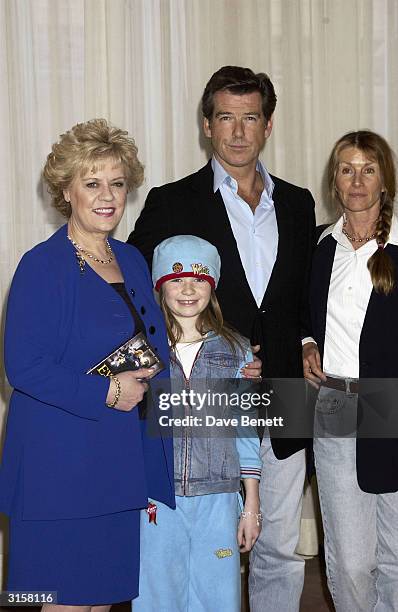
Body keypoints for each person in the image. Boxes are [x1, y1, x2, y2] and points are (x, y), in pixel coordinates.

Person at [128, 65, 316, 611]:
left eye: (250, 118)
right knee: (199, 543)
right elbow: (138, 291)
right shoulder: (171, 201)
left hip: (280, 390)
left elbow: (302, 295)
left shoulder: (300, 204)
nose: (238, 131)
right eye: (226, 118)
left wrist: (303, 340)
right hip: (200, 397)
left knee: (276, 541)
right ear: (207, 126)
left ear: (268, 125)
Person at [0, 119, 174, 610]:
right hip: (60, 466)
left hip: (118, 461)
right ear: (66, 190)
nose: (107, 195)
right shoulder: (42, 265)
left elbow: (151, 343)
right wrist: (107, 392)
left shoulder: (131, 258)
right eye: (92, 183)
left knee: (103, 599)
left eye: (117, 183)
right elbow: (24, 366)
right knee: (66, 601)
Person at [133, 234, 262, 612]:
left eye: (199, 279)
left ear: (212, 286)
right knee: (157, 596)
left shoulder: (235, 349)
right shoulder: (142, 351)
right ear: (160, 286)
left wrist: (250, 504)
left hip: (219, 499)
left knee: (218, 598)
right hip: (157, 497)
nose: (188, 289)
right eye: (176, 279)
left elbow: (246, 429)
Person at [303, 130, 398, 611]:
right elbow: (306, 312)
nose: (357, 180)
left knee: (397, 553)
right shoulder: (322, 246)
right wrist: (306, 343)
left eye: (368, 169)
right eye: (347, 169)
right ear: (334, 181)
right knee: (351, 559)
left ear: (385, 180)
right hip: (336, 402)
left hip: (392, 405)